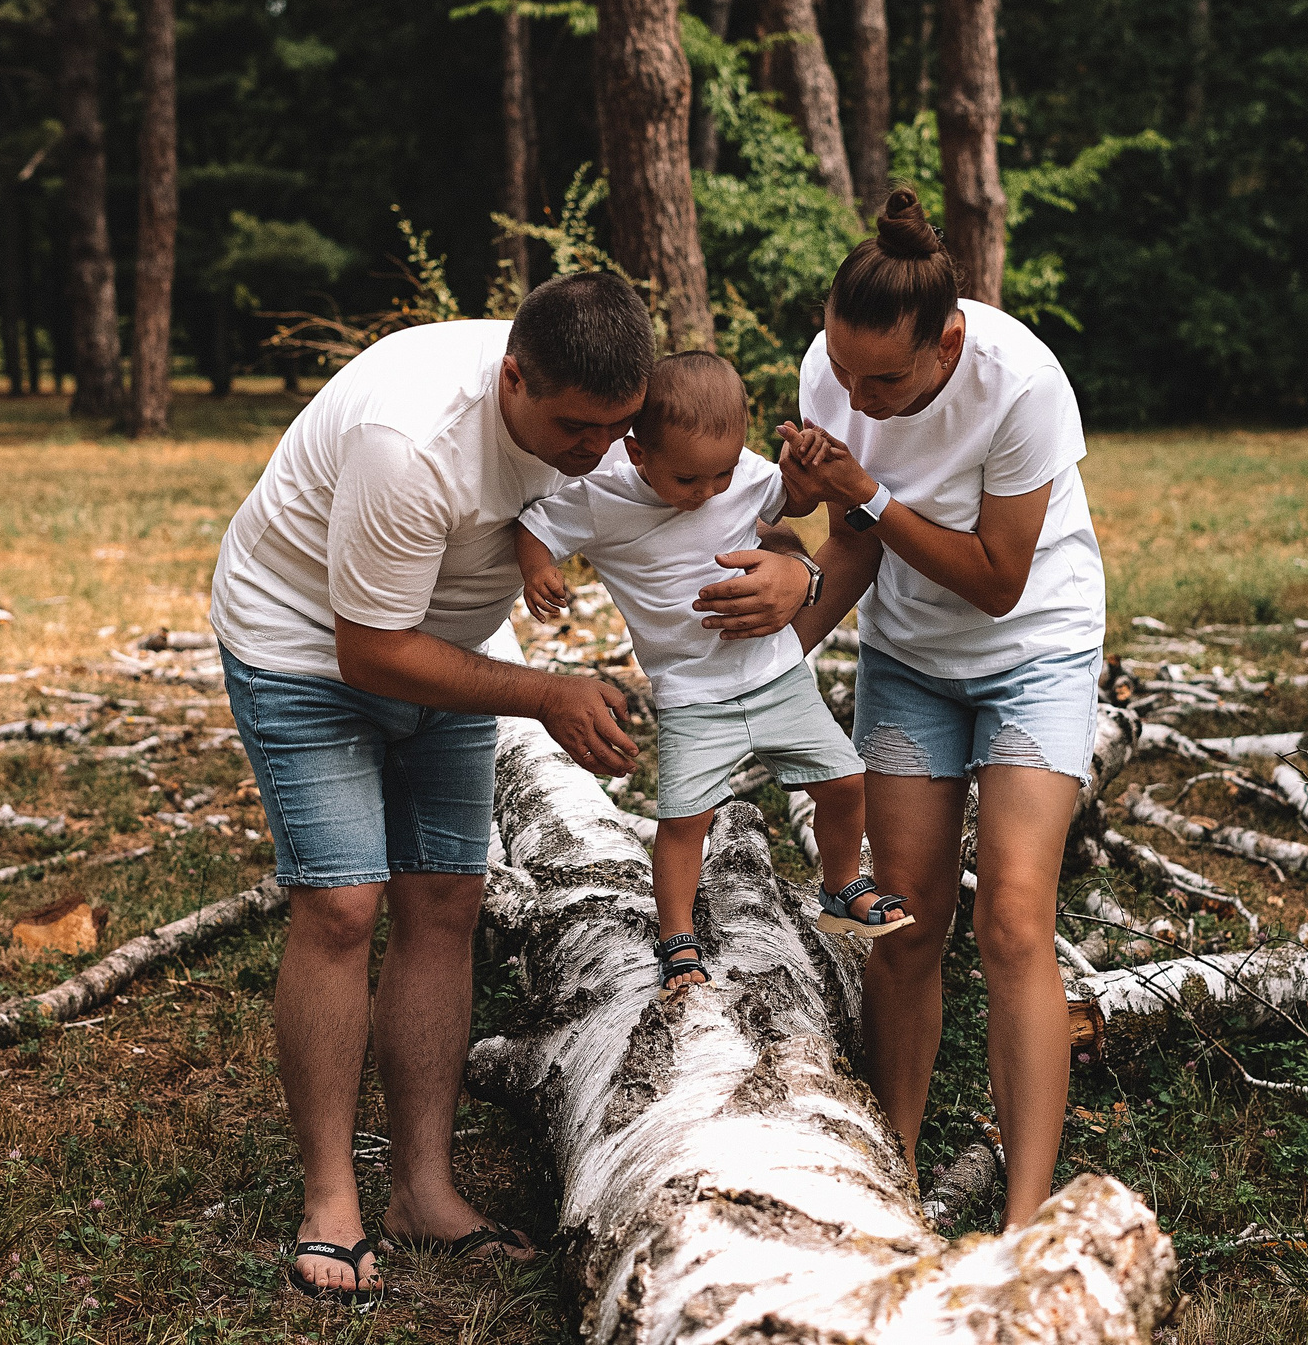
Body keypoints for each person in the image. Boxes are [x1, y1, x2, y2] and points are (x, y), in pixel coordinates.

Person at [210, 273, 814, 1308]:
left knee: (445, 900)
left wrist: (795, 566)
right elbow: (367, 651)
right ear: (512, 377)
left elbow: (748, 499)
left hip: (442, 643)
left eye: (616, 431)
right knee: (343, 904)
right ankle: (329, 1201)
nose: (597, 454)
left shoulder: (609, 418)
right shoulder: (412, 444)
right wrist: (544, 692)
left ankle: (423, 1192)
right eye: (574, 431)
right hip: (305, 646)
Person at [779, 189, 1108, 1228]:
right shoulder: (833, 376)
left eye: (884, 377)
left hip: (1034, 650)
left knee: (1013, 919)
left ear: (947, 341)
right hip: (911, 660)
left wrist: (870, 495)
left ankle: (1023, 1221)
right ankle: (896, 1186)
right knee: (906, 922)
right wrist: (770, 662)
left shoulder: (1020, 384)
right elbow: (851, 547)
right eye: (841, 371)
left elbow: (998, 577)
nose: (857, 396)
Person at [514, 351, 913, 996]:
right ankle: (675, 934)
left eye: (721, 475)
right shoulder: (603, 494)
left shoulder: (741, 474)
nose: (707, 493)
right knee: (684, 823)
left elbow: (796, 502)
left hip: (778, 674)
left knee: (844, 783)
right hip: (693, 696)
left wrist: (806, 471)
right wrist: (538, 568)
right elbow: (535, 524)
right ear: (638, 454)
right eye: (687, 480)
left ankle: (841, 889)